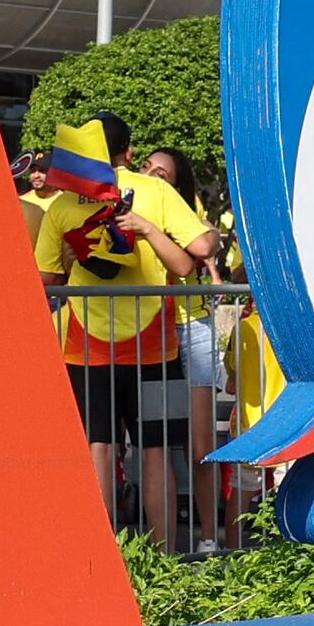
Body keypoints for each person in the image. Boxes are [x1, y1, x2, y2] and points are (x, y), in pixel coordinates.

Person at [34, 117, 211, 541]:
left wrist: (71, 257)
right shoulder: (155, 190)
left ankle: (99, 554)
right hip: (157, 348)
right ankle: (164, 556)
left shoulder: (63, 203)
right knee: (156, 452)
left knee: (99, 446)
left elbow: (47, 279)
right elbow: (199, 250)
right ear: (128, 152)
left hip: (87, 348)